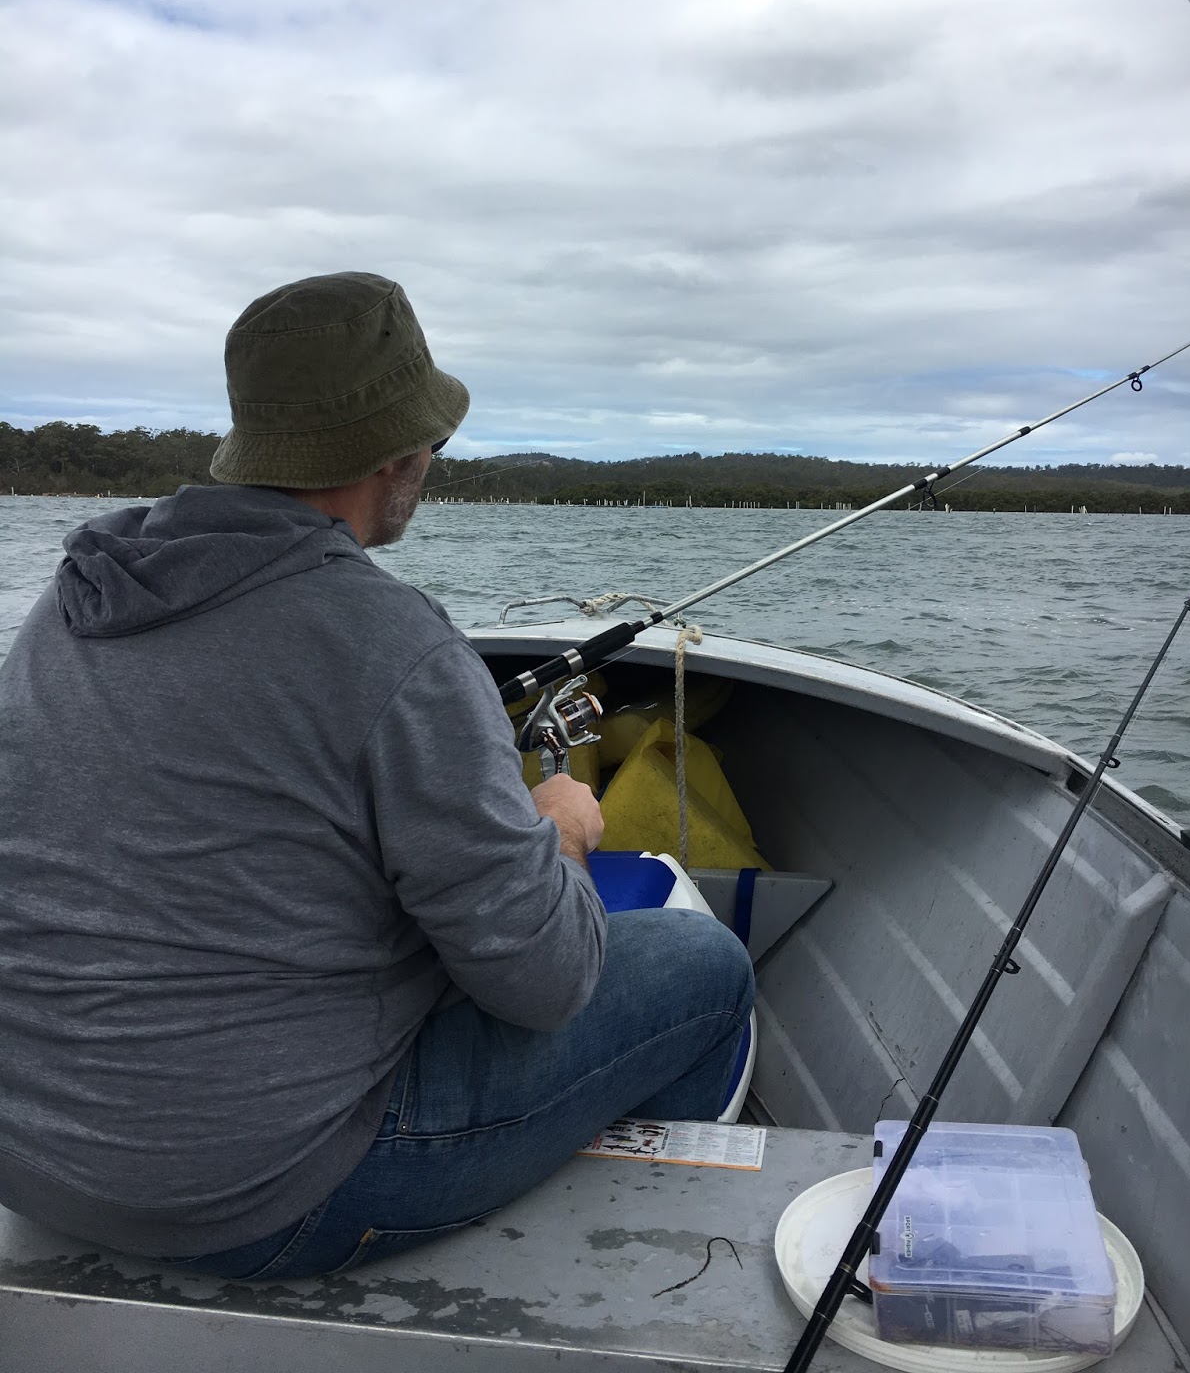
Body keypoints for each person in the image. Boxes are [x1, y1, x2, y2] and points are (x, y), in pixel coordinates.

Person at [0, 272, 755, 1280]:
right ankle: (642, 1275)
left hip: (35, 1154)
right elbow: (544, 980)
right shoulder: (393, 644)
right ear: (396, 456)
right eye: (433, 446)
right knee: (707, 974)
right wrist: (562, 832)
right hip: (264, 1195)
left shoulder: (71, 607)